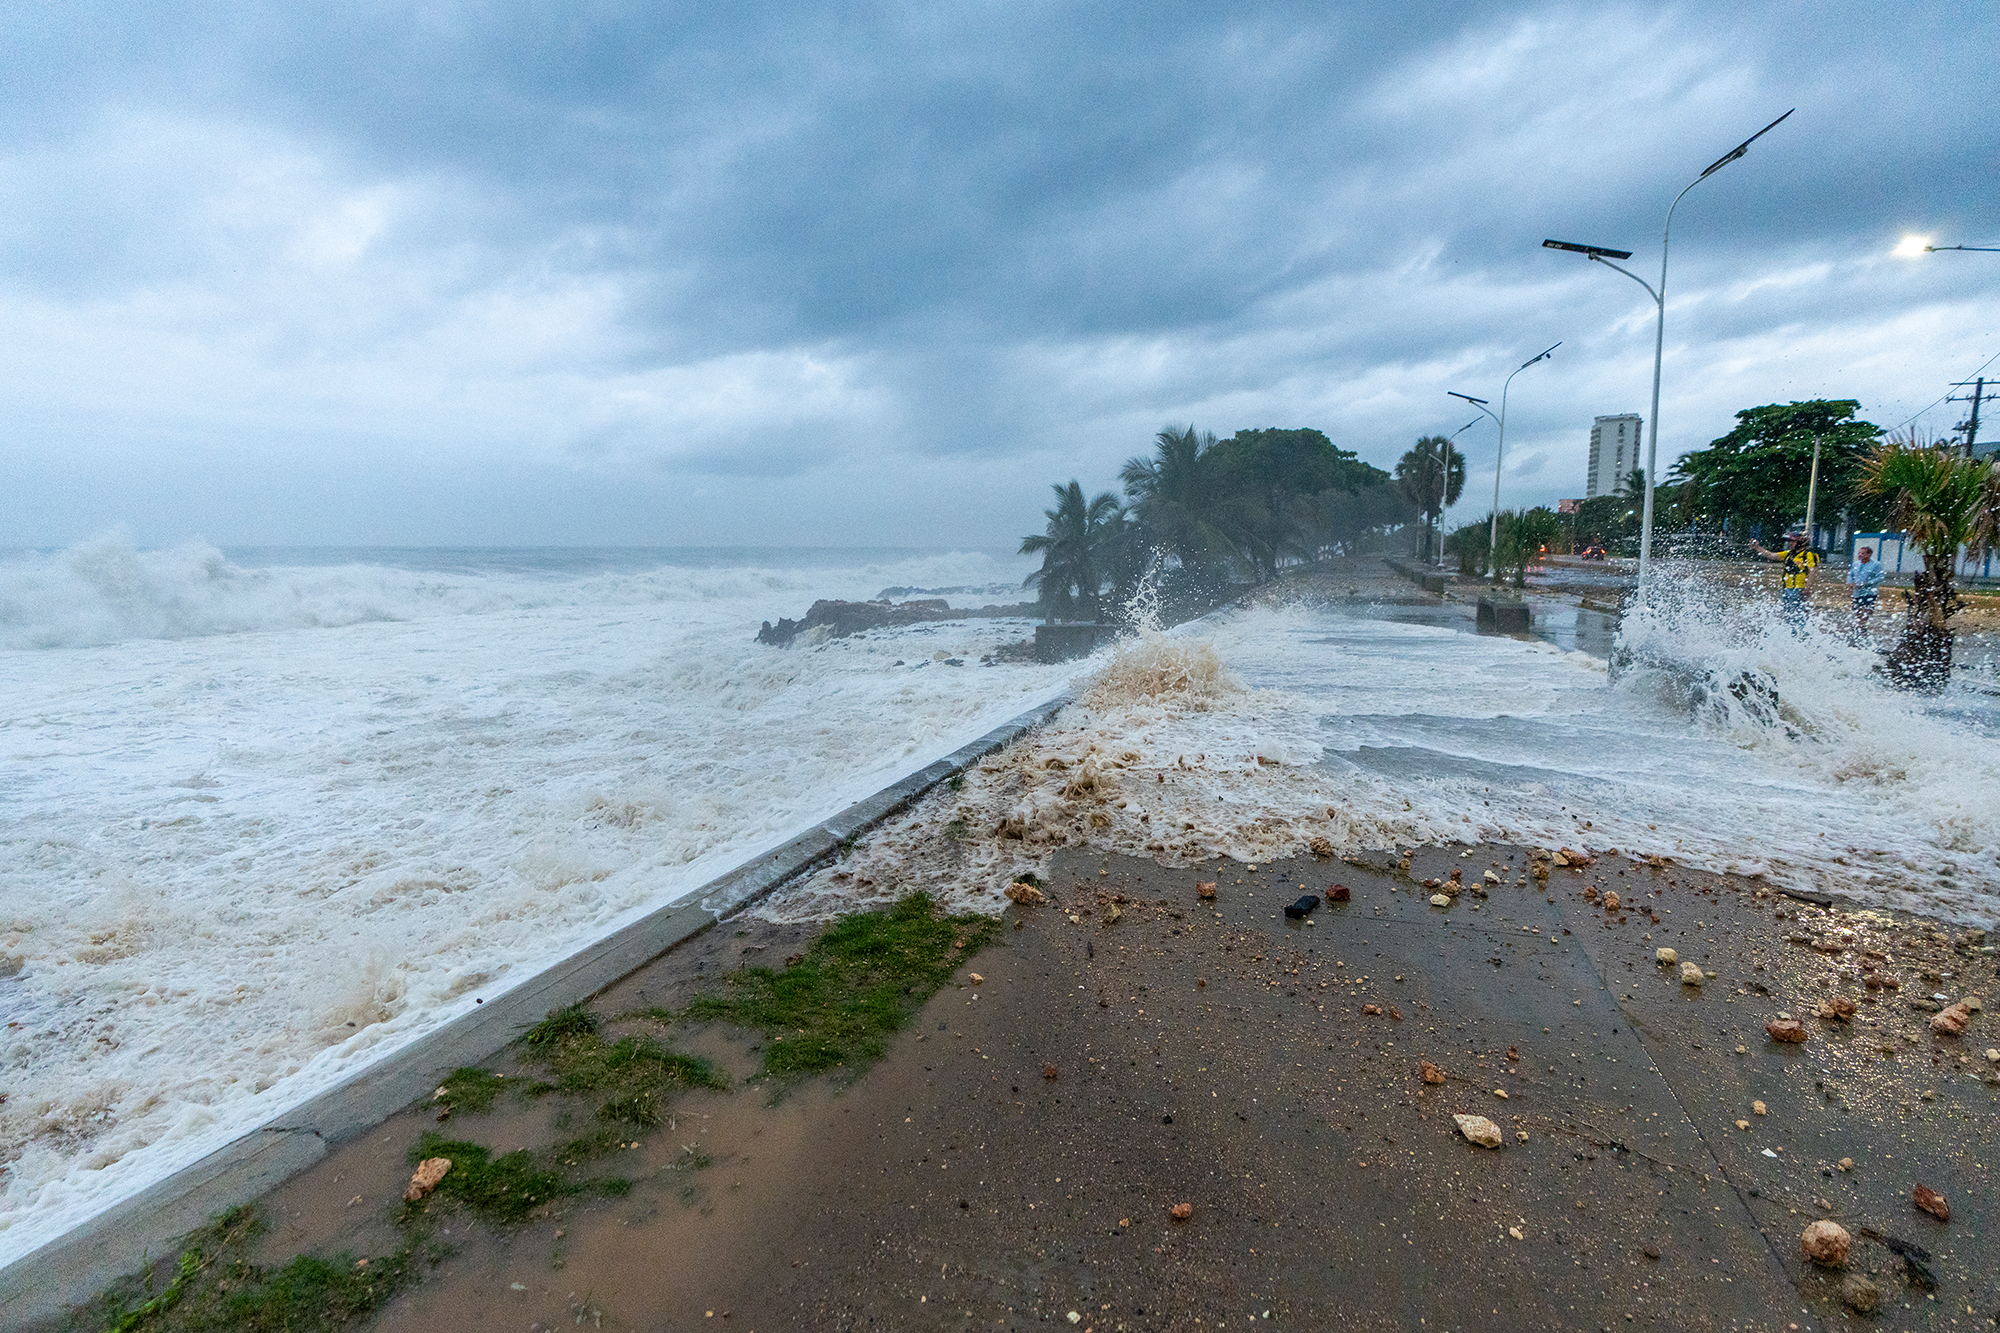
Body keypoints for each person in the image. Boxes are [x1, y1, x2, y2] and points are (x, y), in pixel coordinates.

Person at [1748, 531, 1820, 626]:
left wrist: (1807, 589)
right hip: (1786, 589)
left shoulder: (1808, 555)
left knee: (1798, 615)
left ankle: (1800, 635)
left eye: (1793, 541)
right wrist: (1757, 548)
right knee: (1788, 615)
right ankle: (1790, 634)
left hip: (1799, 590)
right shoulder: (1788, 554)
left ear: (1801, 542)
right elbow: (1771, 555)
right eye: (1789, 541)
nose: (1790, 543)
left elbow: (1813, 573)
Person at [1846, 544, 1886, 633]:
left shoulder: (1876, 565)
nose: (1860, 555)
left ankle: (1862, 626)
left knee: (1867, 610)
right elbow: (1850, 575)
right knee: (1857, 611)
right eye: (1859, 553)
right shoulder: (1855, 564)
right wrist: (1849, 583)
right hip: (1857, 592)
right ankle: (1859, 626)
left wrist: (1868, 583)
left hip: (1869, 592)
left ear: (1869, 554)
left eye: (1863, 553)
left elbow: (1881, 577)